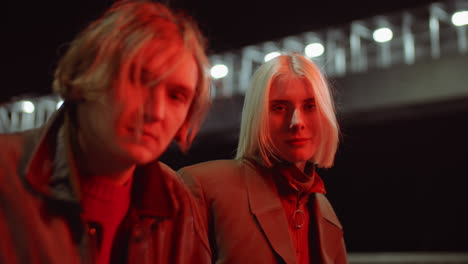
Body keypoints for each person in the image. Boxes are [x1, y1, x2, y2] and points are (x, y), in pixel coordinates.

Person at [0, 1, 212, 263]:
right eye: (138, 79)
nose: (156, 112)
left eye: (176, 96)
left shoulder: (178, 203)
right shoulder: (5, 173)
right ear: (86, 75)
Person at [178, 53, 348, 263]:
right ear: (257, 115)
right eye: (279, 107)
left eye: (310, 106)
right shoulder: (202, 187)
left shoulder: (326, 215)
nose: (297, 121)